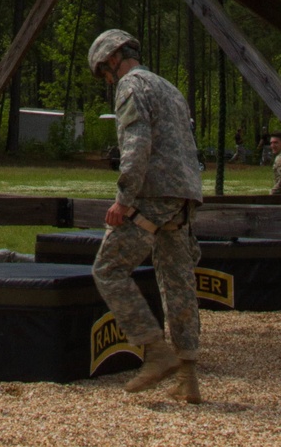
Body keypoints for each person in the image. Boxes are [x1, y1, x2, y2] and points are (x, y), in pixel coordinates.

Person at [88, 29, 203, 403]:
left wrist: (124, 199)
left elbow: (136, 146)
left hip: (153, 194)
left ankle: (156, 351)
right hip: (184, 197)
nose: (107, 80)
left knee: (108, 269)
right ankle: (188, 379)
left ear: (111, 61)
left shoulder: (130, 87)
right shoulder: (169, 88)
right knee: (178, 283)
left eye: (104, 72)